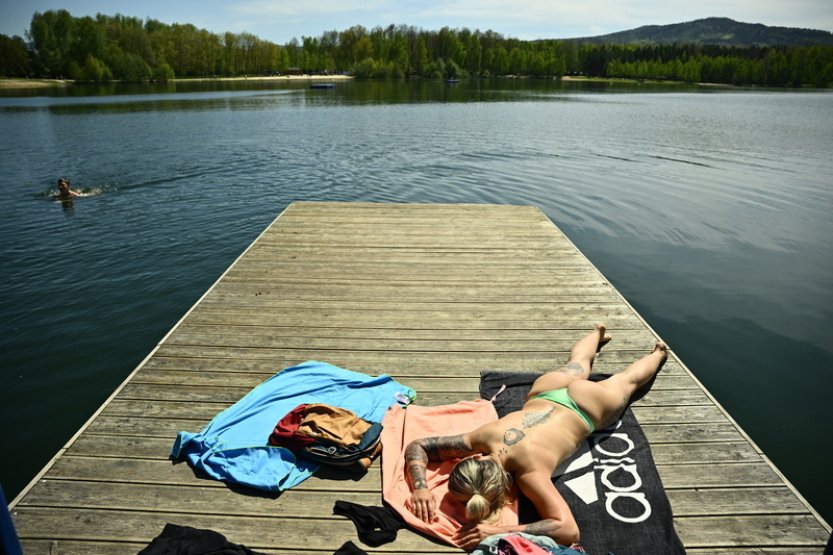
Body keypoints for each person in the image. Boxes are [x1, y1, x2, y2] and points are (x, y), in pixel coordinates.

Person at [404, 324, 668, 549]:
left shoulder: (530, 473)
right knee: (578, 364)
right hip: (547, 392)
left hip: (588, 409)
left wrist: (497, 531)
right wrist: (421, 487)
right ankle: (603, 334)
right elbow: (420, 446)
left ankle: (657, 353)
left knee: (628, 380)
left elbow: (568, 530)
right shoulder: (483, 437)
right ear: (473, 459)